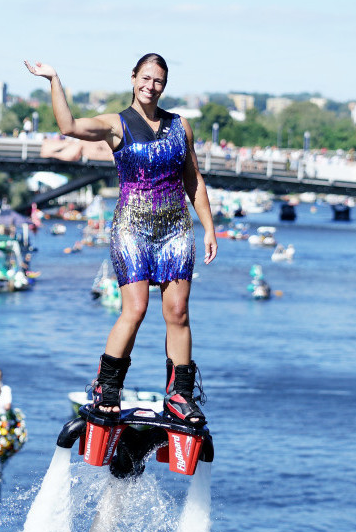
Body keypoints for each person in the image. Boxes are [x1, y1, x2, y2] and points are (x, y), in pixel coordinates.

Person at [25, 54, 217, 424]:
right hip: (132, 227)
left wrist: (208, 227)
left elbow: (193, 180)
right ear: (133, 79)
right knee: (136, 308)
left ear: (165, 85)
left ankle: (179, 395)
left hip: (175, 227)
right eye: (145, 78)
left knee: (178, 312)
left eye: (158, 81)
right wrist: (53, 80)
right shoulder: (116, 124)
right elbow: (68, 126)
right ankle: (106, 388)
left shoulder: (181, 127)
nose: (151, 86)